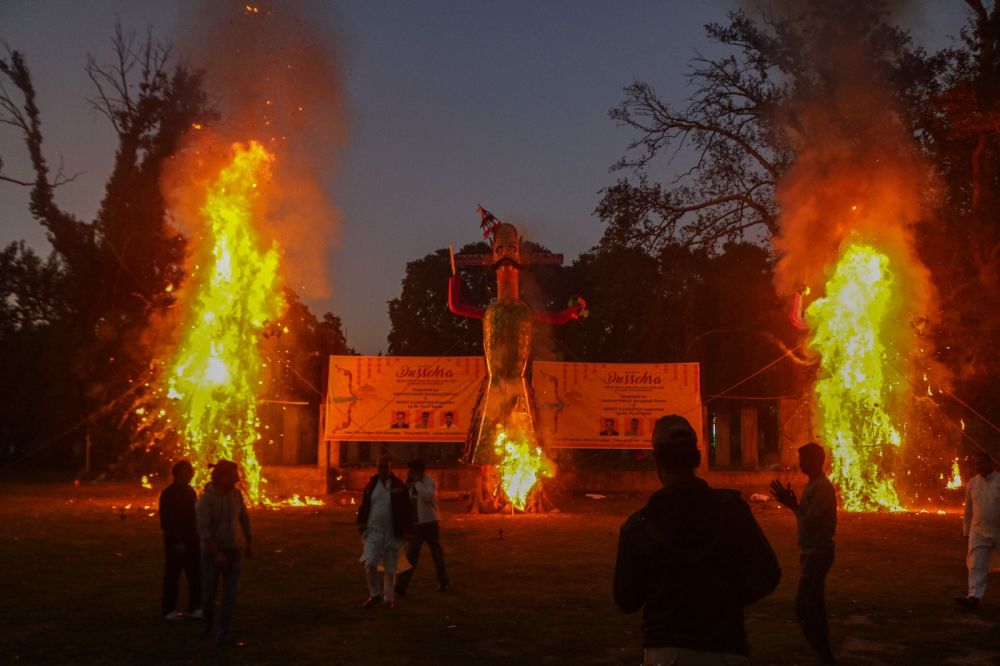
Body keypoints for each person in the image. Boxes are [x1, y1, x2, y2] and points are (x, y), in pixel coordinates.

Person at [615, 415, 781, 665]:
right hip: (727, 649)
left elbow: (626, 600)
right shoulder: (732, 510)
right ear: (697, 459)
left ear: (656, 460)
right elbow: (768, 573)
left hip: (666, 653)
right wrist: (725, 600)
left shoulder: (639, 526)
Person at [770, 442, 837, 663]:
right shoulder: (813, 485)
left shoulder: (822, 488)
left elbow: (812, 522)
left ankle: (823, 653)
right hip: (810, 551)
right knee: (816, 605)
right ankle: (825, 654)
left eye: (803, 459)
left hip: (818, 552)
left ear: (815, 461)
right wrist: (793, 505)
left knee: (803, 606)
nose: (800, 463)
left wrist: (792, 505)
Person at [196, 460, 252, 646]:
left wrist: (248, 541)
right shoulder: (205, 500)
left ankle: (223, 634)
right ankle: (206, 626)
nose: (237, 479)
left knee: (230, 595)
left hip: (234, 549)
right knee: (209, 593)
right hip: (213, 553)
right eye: (233, 475)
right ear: (221, 477)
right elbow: (204, 530)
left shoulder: (236, 495)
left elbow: (243, 517)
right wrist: (216, 553)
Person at [357, 455, 412, 608]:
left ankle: (388, 599)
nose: (382, 470)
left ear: (390, 468)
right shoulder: (371, 486)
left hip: (392, 532)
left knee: (390, 567)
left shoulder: (398, 486)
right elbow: (364, 505)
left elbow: (407, 509)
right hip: (373, 531)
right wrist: (361, 521)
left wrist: (407, 530)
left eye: (385, 467)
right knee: (370, 563)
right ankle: (375, 594)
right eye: (379, 467)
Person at [395, 459, 450, 596]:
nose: (410, 473)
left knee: (436, 554)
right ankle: (401, 587)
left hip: (430, 523)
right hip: (416, 525)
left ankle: (444, 582)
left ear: (420, 472)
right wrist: (408, 485)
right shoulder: (409, 485)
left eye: (412, 471)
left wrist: (417, 483)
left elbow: (427, 496)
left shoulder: (428, 481)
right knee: (411, 556)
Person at [955, 450, 1000, 609]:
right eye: (976, 464)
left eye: (982, 462)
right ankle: (973, 596)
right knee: (976, 564)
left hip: (998, 530)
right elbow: (968, 510)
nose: (979, 466)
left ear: (990, 463)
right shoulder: (972, 483)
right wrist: (966, 531)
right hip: (978, 531)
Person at [159, 459, 201, 620]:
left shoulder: (190, 492)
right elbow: (167, 520)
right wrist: (176, 541)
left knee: (195, 575)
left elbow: (194, 516)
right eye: (187, 472)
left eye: (191, 472)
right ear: (177, 474)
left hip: (191, 540)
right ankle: (169, 609)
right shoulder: (169, 494)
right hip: (176, 542)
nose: (190, 475)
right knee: (172, 575)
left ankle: (195, 606)